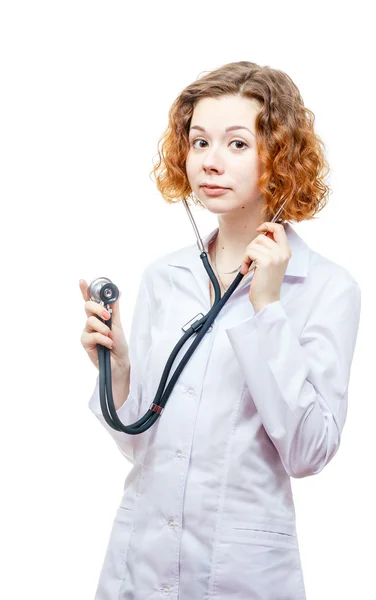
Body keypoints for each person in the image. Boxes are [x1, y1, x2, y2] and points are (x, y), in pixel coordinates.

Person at [79, 61, 361, 600]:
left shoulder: (326, 287)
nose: (210, 161)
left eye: (237, 144)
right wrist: (114, 372)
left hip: (241, 574)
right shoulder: (165, 276)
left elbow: (310, 452)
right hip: (137, 563)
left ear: (279, 157)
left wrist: (267, 308)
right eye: (199, 140)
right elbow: (144, 443)